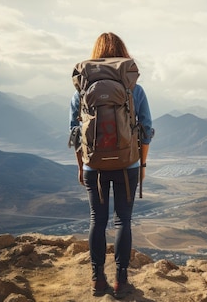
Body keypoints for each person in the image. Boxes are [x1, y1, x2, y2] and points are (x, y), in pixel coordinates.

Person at [69, 32, 153, 298]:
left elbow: (75, 132)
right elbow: (147, 130)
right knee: (122, 221)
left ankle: (97, 280)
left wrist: (82, 166)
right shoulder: (133, 89)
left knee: (97, 220)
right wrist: (142, 165)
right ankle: (121, 281)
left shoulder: (82, 90)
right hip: (127, 163)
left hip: (94, 166)